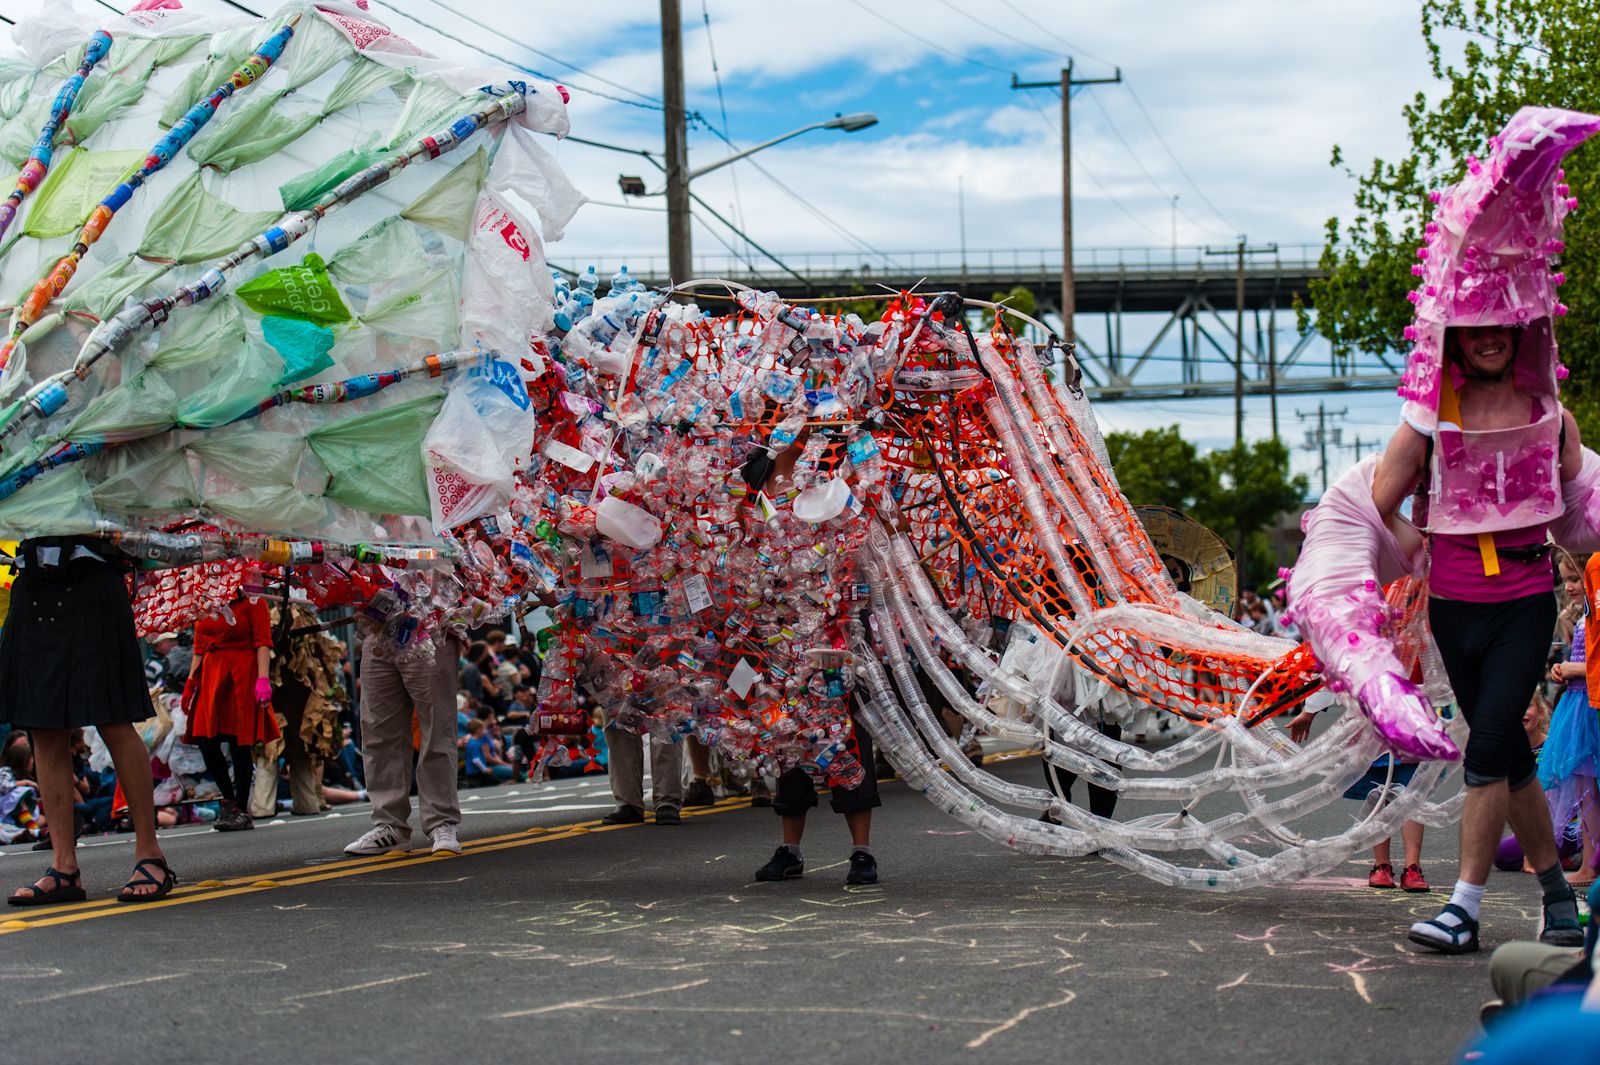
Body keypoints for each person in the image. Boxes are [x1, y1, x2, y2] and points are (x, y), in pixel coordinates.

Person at [2, 535, 176, 904]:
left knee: (113, 718)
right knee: (43, 726)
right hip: (33, 578)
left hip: (92, 572)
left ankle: (150, 854)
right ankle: (64, 867)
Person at [342, 614, 465, 857]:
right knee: (378, 731)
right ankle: (390, 825)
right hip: (378, 630)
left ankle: (441, 822)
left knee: (437, 727)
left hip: (430, 626)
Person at [183, 592, 277, 832]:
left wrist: (263, 679)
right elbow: (199, 646)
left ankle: (239, 807)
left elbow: (262, 641)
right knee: (206, 740)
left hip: (241, 675)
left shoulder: (253, 601)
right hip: (211, 675)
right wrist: (191, 683)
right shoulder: (205, 600)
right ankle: (228, 798)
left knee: (239, 742)